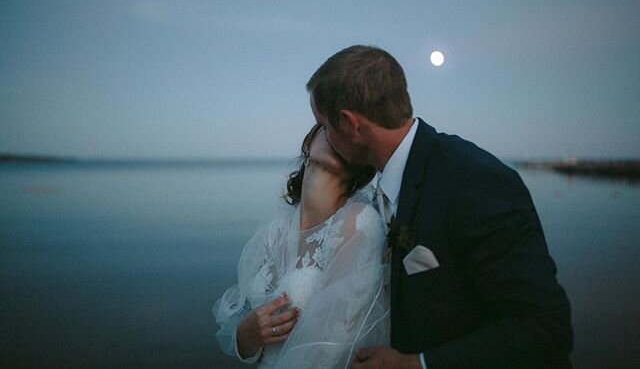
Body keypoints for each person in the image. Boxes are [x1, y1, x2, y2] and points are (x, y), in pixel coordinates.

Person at [306, 45, 574, 368]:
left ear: (351, 124)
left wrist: (415, 364)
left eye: (325, 126)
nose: (325, 137)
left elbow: (544, 330)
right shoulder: (384, 188)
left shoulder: (475, 181)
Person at [213, 123, 390, 368]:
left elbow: (332, 346)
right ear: (309, 143)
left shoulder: (358, 223)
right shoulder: (274, 232)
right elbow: (244, 342)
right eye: (331, 125)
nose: (339, 134)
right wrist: (246, 334)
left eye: (352, 134)